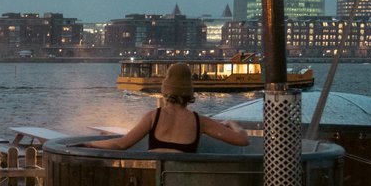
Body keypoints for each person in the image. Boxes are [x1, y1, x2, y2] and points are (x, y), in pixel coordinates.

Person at [81, 63, 249, 152]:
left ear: (165, 92)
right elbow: (243, 141)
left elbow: (121, 144)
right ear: (189, 95)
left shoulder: (153, 117)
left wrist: (89, 144)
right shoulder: (200, 122)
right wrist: (233, 124)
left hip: (151, 180)